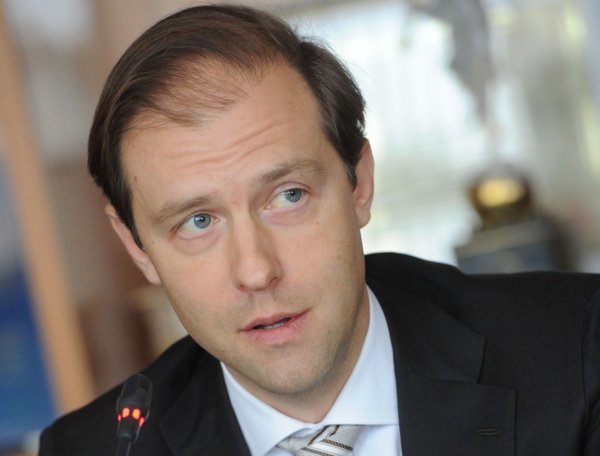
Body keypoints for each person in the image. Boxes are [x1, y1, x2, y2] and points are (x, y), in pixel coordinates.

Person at [39, 4, 600, 456]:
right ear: (137, 246)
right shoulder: (96, 449)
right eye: (198, 222)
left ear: (359, 184)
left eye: (288, 196)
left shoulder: (577, 350)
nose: (256, 270)